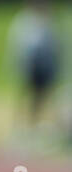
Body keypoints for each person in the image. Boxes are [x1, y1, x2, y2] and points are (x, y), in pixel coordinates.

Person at [7, 0, 64, 132]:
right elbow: (21, 48)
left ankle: (47, 126)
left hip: (46, 67)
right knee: (28, 98)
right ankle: (23, 126)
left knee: (47, 97)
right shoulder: (25, 21)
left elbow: (55, 46)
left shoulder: (48, 22)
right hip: (31, 66)